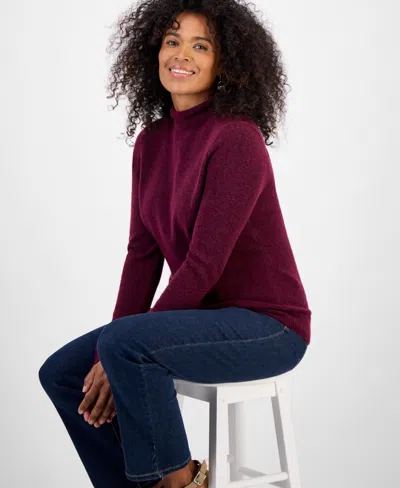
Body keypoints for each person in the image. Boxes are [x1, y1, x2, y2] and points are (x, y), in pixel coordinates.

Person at [39, 2, 312, 488]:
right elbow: (141, 257)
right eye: (172, 41)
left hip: (269, 326)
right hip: (201, 319)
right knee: (62, 373)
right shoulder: (151, 142)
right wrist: (106, 352)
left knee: (124, 345)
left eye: (200, 46)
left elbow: (203, 265)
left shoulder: (237, 139)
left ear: (225, 63)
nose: (181, 54)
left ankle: (181, 481)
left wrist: (118, 347)